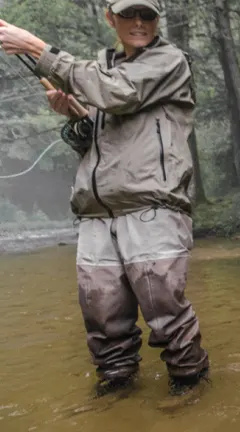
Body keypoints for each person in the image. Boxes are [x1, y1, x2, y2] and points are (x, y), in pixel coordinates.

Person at [0, 0, 210, 398]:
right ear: (110, 18)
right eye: (128, 14)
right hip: (96, 213)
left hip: (153, 208)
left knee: (167, 316)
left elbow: (120, 93)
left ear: (157, 20)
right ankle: (116, 398)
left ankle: (191, 392)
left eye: (147, 15)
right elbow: (94, 144)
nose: (138, 23)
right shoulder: (98, 72)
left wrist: (35, 47)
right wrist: (77, 117)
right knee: (103, 320)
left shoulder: (168, 61)